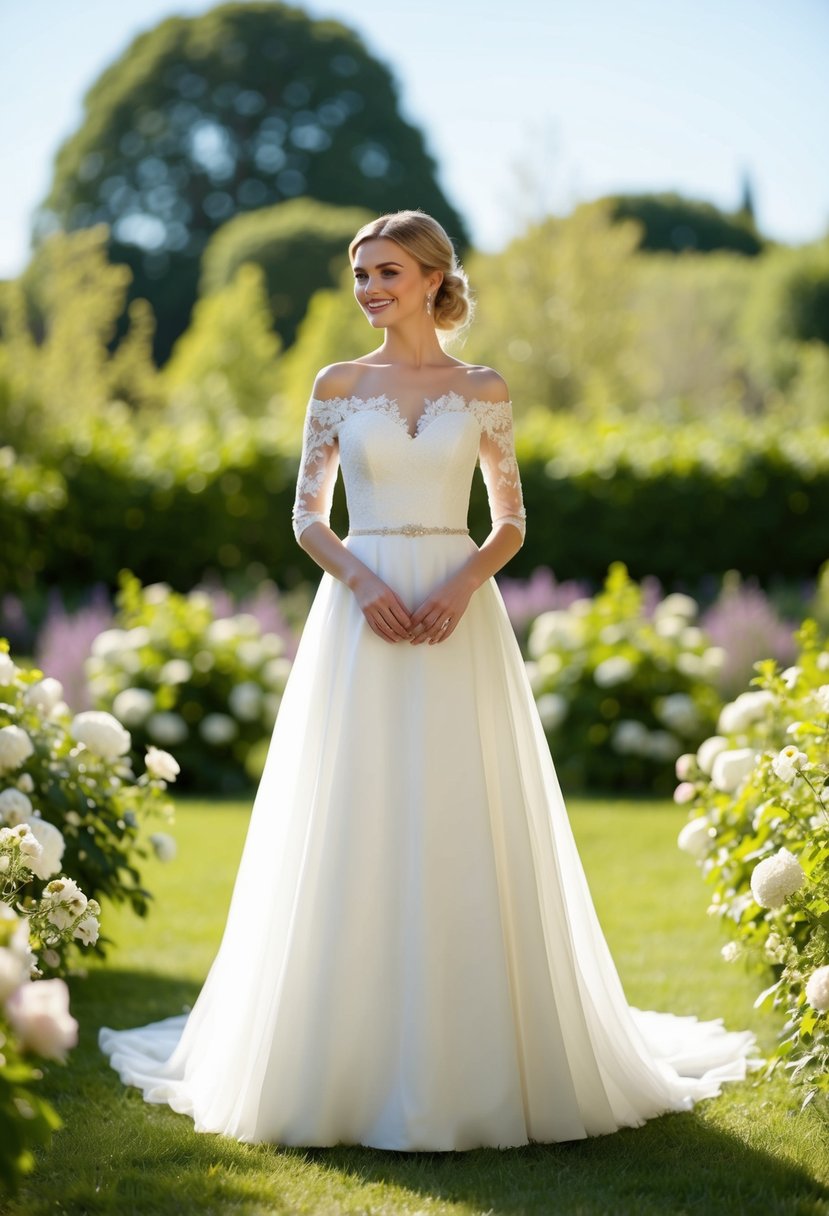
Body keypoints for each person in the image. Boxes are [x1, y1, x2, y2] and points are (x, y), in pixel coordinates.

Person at [99, 208, 761, 1152]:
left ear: (432, 277)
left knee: (462, 811)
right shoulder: (335, 384)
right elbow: (307, 516)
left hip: (461, 616)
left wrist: (457, 588)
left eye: (387, 272)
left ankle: (478, 1052)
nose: (370, 289)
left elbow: (511, 521)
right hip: (357, 617)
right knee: (356, 809)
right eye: (361, 274)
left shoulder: (482, 388)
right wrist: (364, 582)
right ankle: (339, 1053)